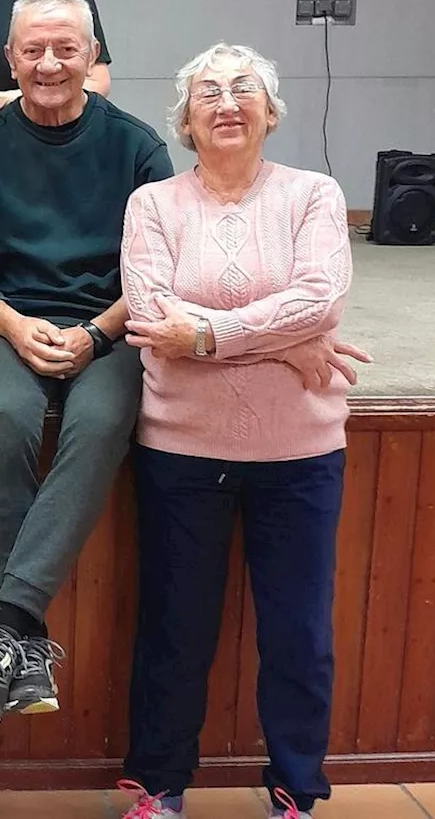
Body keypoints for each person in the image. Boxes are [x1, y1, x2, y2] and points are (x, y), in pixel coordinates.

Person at [116, 44, 368, 819]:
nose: (226, 102)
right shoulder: (153, 205)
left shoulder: (313, 194)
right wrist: (282, 340)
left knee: (298, 632)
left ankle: (296, 787)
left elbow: (320, 298)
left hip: (299, 451)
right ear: (186, 120)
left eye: (243, 89)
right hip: (182, 449)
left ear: (270, 109)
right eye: (207, 93)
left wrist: (208, 337)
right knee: (173, 627)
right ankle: (159, 786)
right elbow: (154, 316)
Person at [0, 0, 173, 727]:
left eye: (66, 50)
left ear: (93, 58)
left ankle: (9, 620)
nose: (48, 65)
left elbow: (157, 275)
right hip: (13, 322)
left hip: (111, 323)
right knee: (3, 419)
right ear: (9, 59)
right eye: (33, 51)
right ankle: (29, 638)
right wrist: (12, 326)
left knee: (102, 423)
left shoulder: (138, 147)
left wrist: (97, 336)